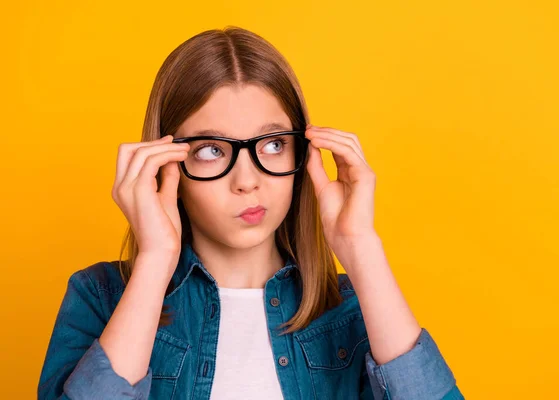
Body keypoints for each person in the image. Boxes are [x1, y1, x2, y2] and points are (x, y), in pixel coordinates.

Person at [37, 26, 465, 400]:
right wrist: (154, 261)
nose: (247, 180)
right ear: (167, 163)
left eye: (274, 144)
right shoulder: (101, 297)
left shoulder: (355, 308)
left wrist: (361, 248)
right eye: (211, 150)